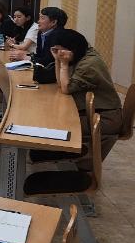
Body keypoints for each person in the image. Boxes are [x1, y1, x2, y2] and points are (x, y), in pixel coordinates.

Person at [34, 29, 123, 169]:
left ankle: (74, 159)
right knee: (52, 117)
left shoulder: (89, 64)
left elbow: (66, 88)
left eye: (60, 50)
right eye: (55, 50)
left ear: (72, 48)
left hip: (106, 118)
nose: (59, 53)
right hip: (94, 112)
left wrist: (63, 64)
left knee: (57, 123)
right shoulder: (82, 54)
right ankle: (61, 154)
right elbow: (60, 83)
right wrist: (57, 60)